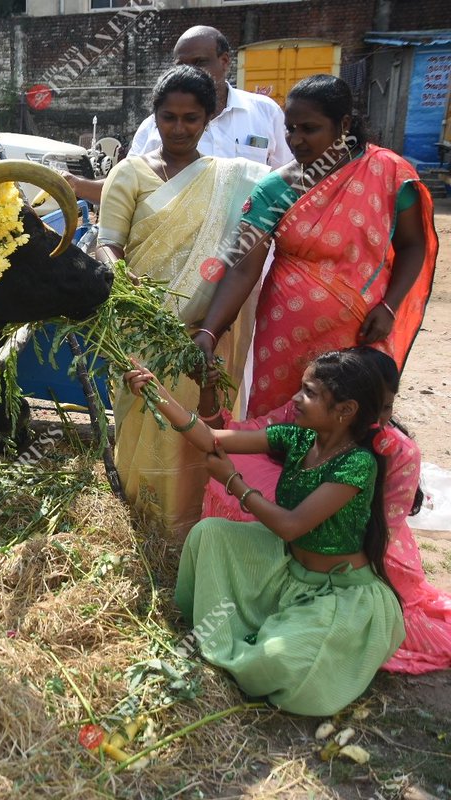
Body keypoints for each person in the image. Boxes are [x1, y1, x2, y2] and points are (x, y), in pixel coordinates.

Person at [126, 349, 404, 716]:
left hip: (337, 594)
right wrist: (156, 392)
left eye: (309, 392)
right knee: (211, 534)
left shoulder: (357, 464)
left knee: (275, 663)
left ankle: (271, 640)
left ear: (345, 410)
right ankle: (244, 629)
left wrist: (233, 483)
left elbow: (291, 525)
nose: (295, 399)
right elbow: (210, 438)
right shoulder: (299, 439)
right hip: (287, 567)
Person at [194, 74, 438, 419]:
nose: (295, 140)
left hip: (361, 330)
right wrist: (210, 329)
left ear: (344, 124)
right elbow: (243, 266)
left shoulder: (387, 173)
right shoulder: (275, 189)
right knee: (280, 428)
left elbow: (413, 245)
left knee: (350, 426)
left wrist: (391, 306)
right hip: (283, 335)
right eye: (290, 129)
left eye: (309, 128)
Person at [199, 346, 451, 675]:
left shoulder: (386, 456)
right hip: (300, 539)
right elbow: (223, 436)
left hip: (351, 560)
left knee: (287, 649)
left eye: (385, 407)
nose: (376, 421)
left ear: (348, 408)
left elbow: (364, 528)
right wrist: (191, 390)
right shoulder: (302, 421)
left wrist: (237, 485)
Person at [97, 64, 269, 535]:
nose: (179, 128)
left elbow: (246, 253)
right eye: (168, 117)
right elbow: (107, 242)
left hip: (203, 331)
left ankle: (193, 525)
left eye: (191, 118)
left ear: (208, 120)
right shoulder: (128, 173)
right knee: (142, 415)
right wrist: (128, 289)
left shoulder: (233, 180)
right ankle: (143, 522)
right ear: (154, 117)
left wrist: (210, 326)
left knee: (195, 424)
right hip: (139, 323)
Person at [67, 26, 289, 204]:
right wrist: (74, 184)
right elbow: (123, 187)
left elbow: (290, 181)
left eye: (199, 62)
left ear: (224, 61)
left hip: (253, 252)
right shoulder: (155, 126)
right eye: (181, 65)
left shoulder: (265, 112)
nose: (190, 72)